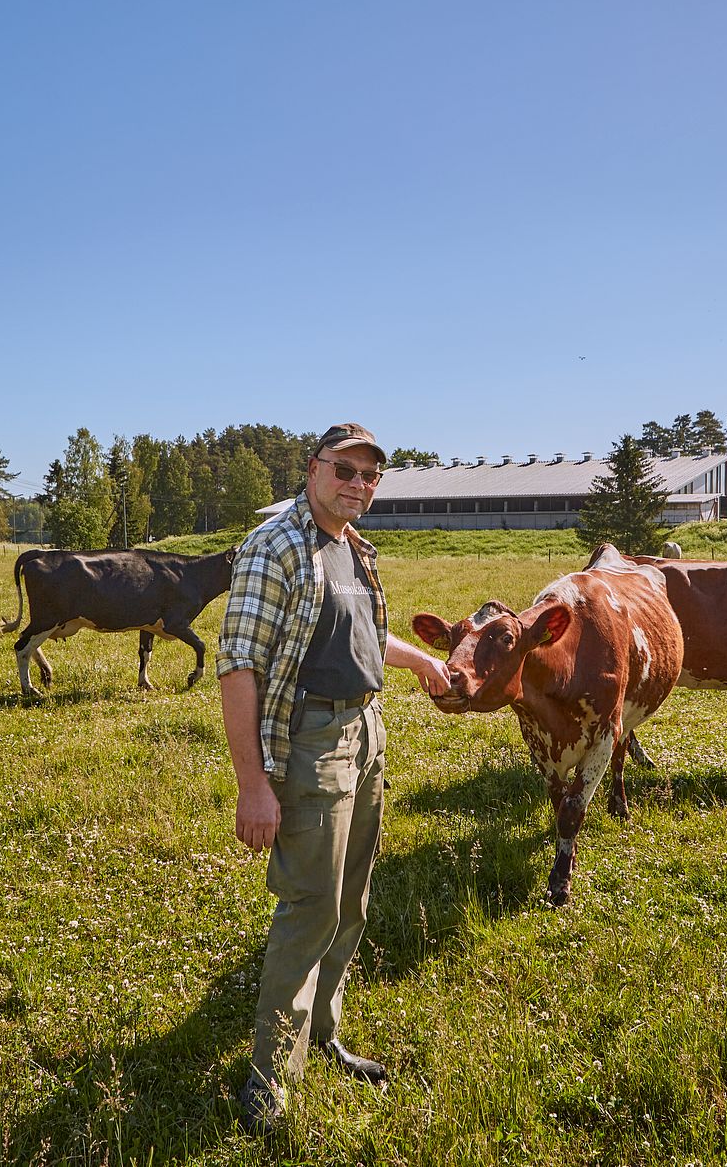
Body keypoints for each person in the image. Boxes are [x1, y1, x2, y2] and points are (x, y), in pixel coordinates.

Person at [217, 422, 450, 1134]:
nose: (357, 484)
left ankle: (322, 1034)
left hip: (365, 731)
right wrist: (253, 784)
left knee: (351, 898)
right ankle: (269, 1077)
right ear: (313, 468)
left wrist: (421, 664)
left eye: (370, 475)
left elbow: (359, 632)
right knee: (311, 903)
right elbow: (237, 666)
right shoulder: (276, 547)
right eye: (344, 469)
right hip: (310, 740)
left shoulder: (353, 548)